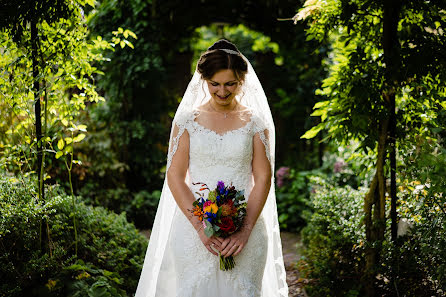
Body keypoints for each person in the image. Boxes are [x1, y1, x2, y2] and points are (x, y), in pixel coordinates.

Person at [135, 39, 288, 297]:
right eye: (214, 84)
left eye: (230, 83)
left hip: (246, 231)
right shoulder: (187, 121)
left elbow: (262, 178)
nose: (222, 91)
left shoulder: (255, 122)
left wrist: (245, 230)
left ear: (242, 80)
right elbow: (175, 175)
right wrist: (200, 228)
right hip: (194, 230)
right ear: (203, 80)